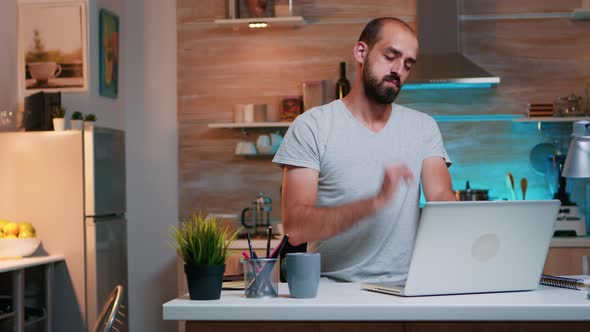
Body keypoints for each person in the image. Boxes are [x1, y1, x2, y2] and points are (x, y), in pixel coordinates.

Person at [272, 17, 456, 283]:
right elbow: (297, 228)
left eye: (407, 64)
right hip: (333, 291)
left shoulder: (423, 127)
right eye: (390, 56)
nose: (398, 70)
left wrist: (481, 227)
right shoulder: (312, 126)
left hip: (407, 288)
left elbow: (441, 196)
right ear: (361, 52)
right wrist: (375, 203)